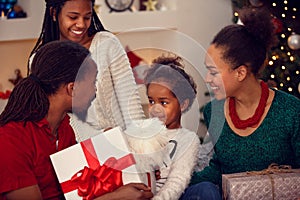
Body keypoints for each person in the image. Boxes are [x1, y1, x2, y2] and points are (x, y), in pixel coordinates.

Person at [0, 40, 153, 200]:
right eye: (93, 83)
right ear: (72, 89)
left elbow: (77, 190)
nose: (95, 91)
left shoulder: (64, 128)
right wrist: (115, 198)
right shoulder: (10, 141)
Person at [180, 7, 300, 199]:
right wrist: (173, 182)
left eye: (213, 71)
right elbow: (219, 170)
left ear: (240, 73)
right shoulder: (214, 111)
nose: (207, 79)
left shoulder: (291, 111)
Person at [28, 0, 145, 142]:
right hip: (76, 151)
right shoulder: (41, 59)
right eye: (73, 17)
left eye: (87, 17)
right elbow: (57, 118)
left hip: (123, 146)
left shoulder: (106, 44)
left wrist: (140, 143)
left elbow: (131, 105)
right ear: (54, 13)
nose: (81, 24)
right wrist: (100, 138)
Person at [126, 55, 201, 200]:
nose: (155, 109)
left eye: (164, 102)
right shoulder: (140, 132)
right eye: (151, 101)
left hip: (170, 197)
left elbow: (178, 181)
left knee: (205, 189)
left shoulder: (188, 139)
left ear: (183, 104)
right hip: (139, 194)